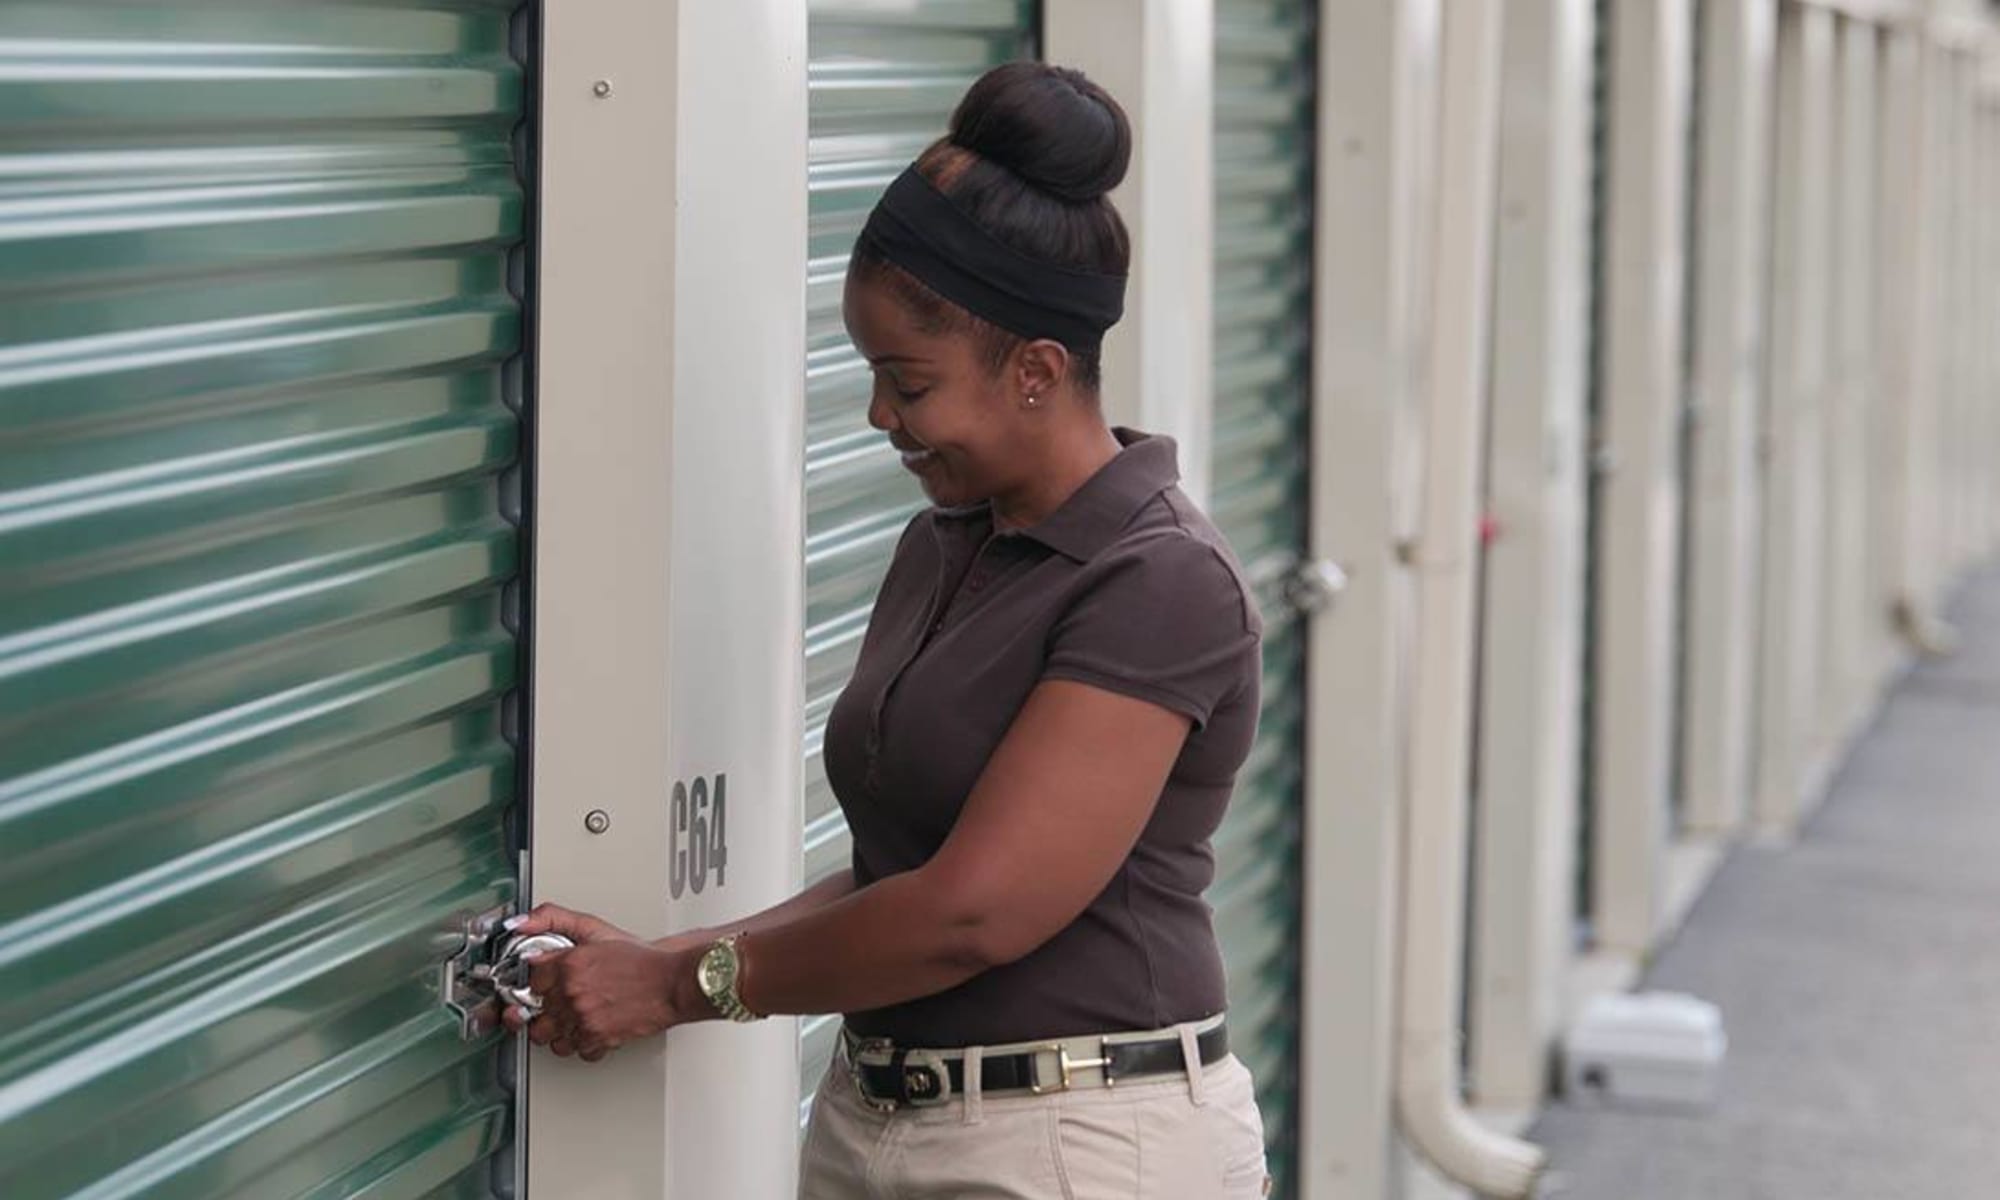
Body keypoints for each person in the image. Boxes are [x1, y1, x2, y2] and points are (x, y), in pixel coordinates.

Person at [505, 60, 1271, 1199]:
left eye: (906, 383)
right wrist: (659, 960)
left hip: (1081, 1145)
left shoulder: (1158, 579)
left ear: (1035, 371)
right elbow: (902, 871)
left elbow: (974, 909)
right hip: (878, 1119)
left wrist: (680, 989)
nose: (877, 416)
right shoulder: (947, 545)